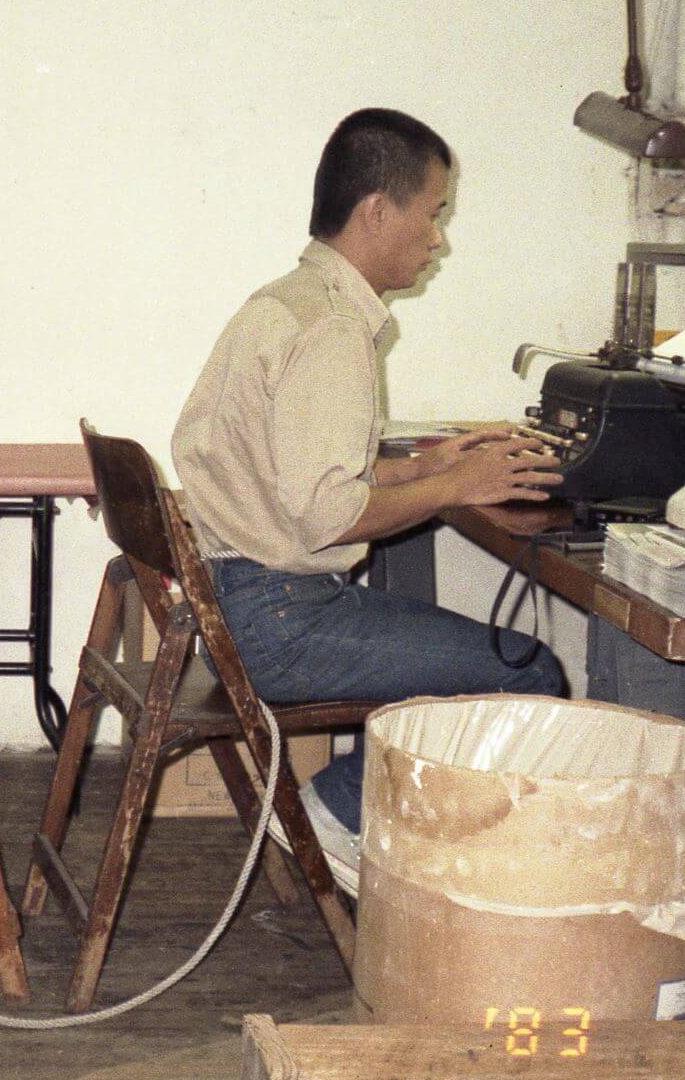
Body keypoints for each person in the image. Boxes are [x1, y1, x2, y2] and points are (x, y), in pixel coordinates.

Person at [170, 107, 567, 896]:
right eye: (434, 213)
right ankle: (331, 809)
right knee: (531, 674)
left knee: (465, 661)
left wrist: (426, 465)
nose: (438, 238)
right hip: (280, 622)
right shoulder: (332, 331)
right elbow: (327, 515)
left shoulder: (287, 302)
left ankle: (353, 817)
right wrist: (458, 487)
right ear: (378, 211)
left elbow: (299, 477)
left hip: (239, 607)